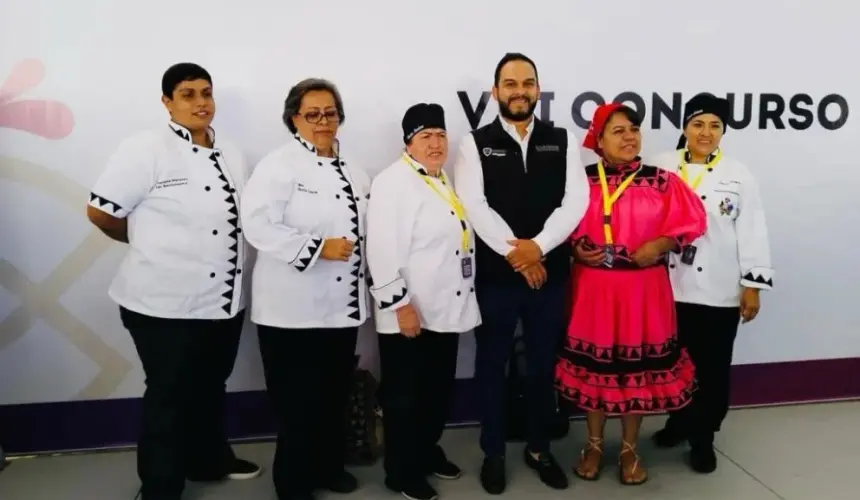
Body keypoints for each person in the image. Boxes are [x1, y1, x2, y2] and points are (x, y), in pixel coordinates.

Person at [85, 62, 260, 500]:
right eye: (187, 94)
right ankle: (160, 487)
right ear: (167, 101)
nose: (200, 103)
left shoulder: (233, 151)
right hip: (162, 304)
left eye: (206, 93)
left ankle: (206, 459)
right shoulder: (145, 148)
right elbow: (101, 212)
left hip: (223, 301)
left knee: (209, 386)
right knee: (168, 395)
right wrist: (144, 240)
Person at [452, 52, 590, 494]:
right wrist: (519, 256)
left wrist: (539, 250)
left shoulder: (562, 138)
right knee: (491, 364)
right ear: (495, 92)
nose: (519, 91)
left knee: (541, 365)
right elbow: (475, 205)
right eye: (510, 84)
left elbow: (576, 203)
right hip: (496, 276)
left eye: (527, 83)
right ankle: (493, 451)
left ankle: (538, 448)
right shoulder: (474, 143)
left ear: (537, 89)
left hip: (549, 274)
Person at [555, 102, 707, 485]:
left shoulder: (661, 180)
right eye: (618, 130)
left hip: (644, 290)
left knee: (635, 371)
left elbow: (693, 221)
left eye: (633, 129)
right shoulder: (580, 181)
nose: (628, 136)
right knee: (597, 370)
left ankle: (628, 448)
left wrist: (660, 244)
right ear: (599, 140)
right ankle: (592, 443)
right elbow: (559, 225)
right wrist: (574, 248)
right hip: (593, 290)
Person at [239, 78, 371, 500]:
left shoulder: (354, 168)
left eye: (330, 113)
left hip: (340, 308)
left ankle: (328, 467)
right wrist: (316, 248)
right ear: (293, 118)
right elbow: (257, 225)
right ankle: (293, 484)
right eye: (311, 114)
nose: (322, 121)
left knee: (333, 395)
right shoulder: (278, 166)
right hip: (290, 312)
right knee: (298, 406)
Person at [649, 93, 774, 473]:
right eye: (698, 124)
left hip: (719, 290)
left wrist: (751, 284)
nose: (706, 133)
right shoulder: (660, 165)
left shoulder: (739, 174)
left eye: (715, 126)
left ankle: (703, 437)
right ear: (685, 127)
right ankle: (678, 422)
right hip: (668, 287)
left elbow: (752, 230)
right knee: (670, 366)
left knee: (713, 369)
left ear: (723, 131)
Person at [366, 103, 481, 500]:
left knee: (436, 391)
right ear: (408, 142)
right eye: (425, 136)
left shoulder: (441, 177)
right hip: (409, 313)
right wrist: (401, 305)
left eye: (440, 135)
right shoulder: (392, 182)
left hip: (444, 309)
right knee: (405, 397)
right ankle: (401, 471)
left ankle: (426, 451)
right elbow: (381, 250)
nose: (435, 143)